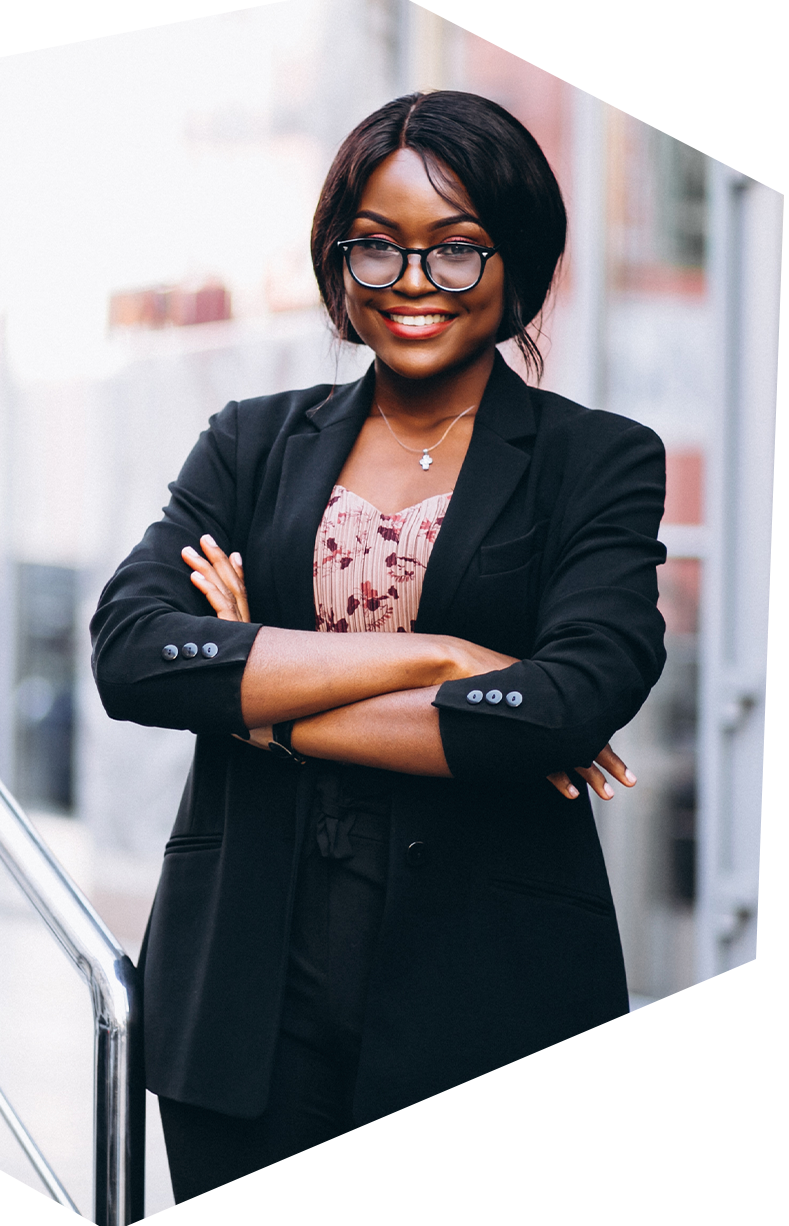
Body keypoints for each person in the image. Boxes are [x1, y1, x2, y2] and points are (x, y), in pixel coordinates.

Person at [89, 90, 667, 1203]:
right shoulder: (251, 443)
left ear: (519, 263)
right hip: (242, 993)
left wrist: (256, 695)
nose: (412, 283)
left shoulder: (594, 461)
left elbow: (566, 703)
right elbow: (133, 651)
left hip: (488, 983)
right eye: (377, 248)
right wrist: (444, 657)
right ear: (336, 261)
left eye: (456, 251)